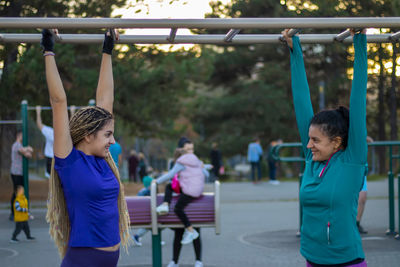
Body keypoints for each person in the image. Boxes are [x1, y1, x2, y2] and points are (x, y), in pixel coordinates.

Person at [42, 28, 131, 267]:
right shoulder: (69, 161)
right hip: (83, 260)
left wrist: (107, 51)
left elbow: (105, 99)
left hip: (110, 260)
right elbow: (58, 102)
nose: (113, 141)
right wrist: (48, 51)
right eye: (108, 135)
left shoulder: (103, 162)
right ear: (88, 136)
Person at [282, 28, 367, 267]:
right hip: (312, 259)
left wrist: (359, 41)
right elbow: (300, 100)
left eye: (316, 141)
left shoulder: (352, 161)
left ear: (337, 142)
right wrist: (294, 50)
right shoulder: (311, 158)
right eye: (309, 139)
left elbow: (358, 100)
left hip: (346, 260)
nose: (308, 145)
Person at [157, 137, 208, 267]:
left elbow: (205, 174)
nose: (191, 151)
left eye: (192, 149)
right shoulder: (176, 162)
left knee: (195, 228)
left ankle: (198, 260)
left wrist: (202, 168)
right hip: (181, 196)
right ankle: (174, 261)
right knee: (179, 232)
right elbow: (171, 179)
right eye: (188, 149)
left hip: (190, 197)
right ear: (180, 149)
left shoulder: (195, 161)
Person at [9, 131, 33, 221]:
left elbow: (29, 154)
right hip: (16, 173)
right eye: (23, 135)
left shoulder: (20, 146)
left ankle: (21, 211)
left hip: (19, 173)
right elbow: (25, 151)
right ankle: (12, 213)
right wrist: (28, 148)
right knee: (17, 192)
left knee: (20, 191)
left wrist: (28, 150)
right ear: (19, 136)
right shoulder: (16, 145)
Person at [357, 136, 374, 234]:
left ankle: (357, 224)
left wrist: (364, 138)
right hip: (348, 168)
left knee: (362, 198)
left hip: (361, 167)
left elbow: (370, 141)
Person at [132, 175, 153, 246]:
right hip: (146, 213)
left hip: (145, 212)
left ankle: (137, 236)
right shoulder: (147, 191)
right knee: (150, 226)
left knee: (150, 226)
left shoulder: (143, 190)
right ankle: (136, 236)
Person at [36, 105, 54, 178]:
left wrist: (38, 112)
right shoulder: (51, 132)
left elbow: (39, 124)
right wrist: (72, 111)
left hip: (51, 158)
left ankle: (52, 189)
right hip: (56, 158)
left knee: (52, 178)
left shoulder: (50, 132)